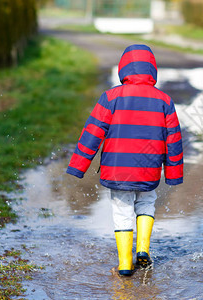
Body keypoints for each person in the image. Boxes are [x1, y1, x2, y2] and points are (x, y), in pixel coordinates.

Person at [66, 44, 184, 276]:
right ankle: (142, 249)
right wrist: (173, 174)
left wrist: (78, 166)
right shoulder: (164, 100)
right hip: (149, 169)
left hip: (117, 170)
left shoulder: (110, 97)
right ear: (152, 70)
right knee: (146, 203)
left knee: (122, 211)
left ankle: (124, 264)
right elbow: (174, 140)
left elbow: (92, 133)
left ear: (123, 68)